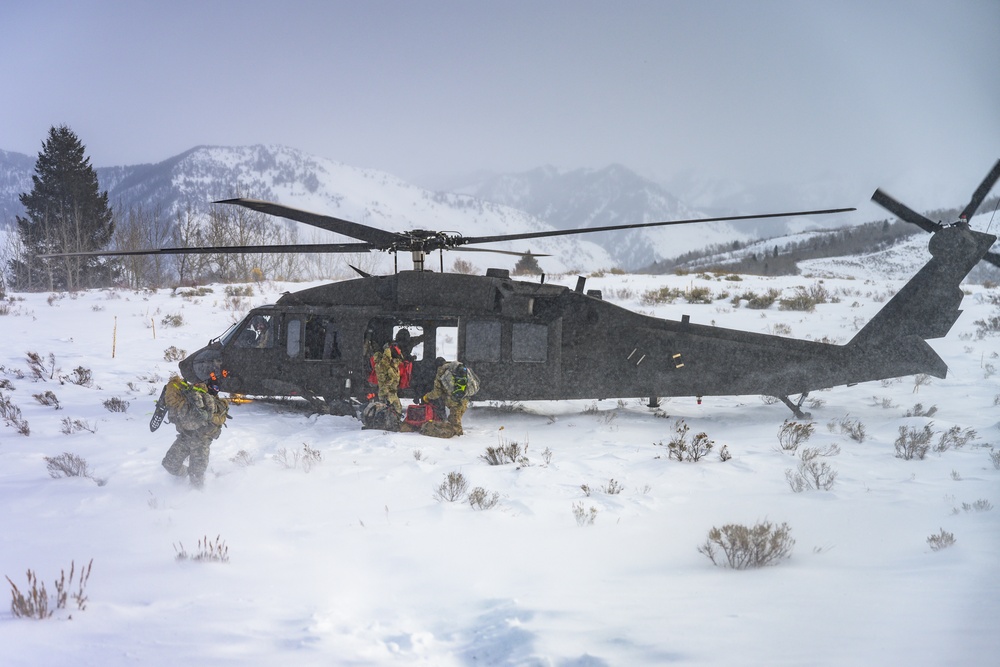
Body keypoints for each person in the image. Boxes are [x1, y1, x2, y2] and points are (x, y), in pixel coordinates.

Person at [160, 375, 230, 488]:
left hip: (202, 442)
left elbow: (221, 419)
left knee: (197, 476)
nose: (215, 390)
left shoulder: (219, 403)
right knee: (169, 465)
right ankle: (183, 477)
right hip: (185, 437)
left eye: (217, 389)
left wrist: (208, 415)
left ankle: (197, 499)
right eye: (213, 387)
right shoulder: (191, 396)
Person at [421, 358, 479, 436]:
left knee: (454, 424)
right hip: (464, 397)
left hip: (455, 401)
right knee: (455, 420)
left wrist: (427, 397)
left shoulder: (441, 371)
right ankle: (458, 435)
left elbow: (437, 392)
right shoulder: (455, 367)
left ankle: (457, 440)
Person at [372, 342, 404, 416]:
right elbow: (386, 359)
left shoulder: (387, 366)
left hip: (390, 391)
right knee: (390, 408)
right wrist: (387, 349)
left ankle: (394, 420)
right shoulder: (381, 366)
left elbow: (399, 359)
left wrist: (395, 350)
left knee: (396, 408)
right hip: (386, 392)